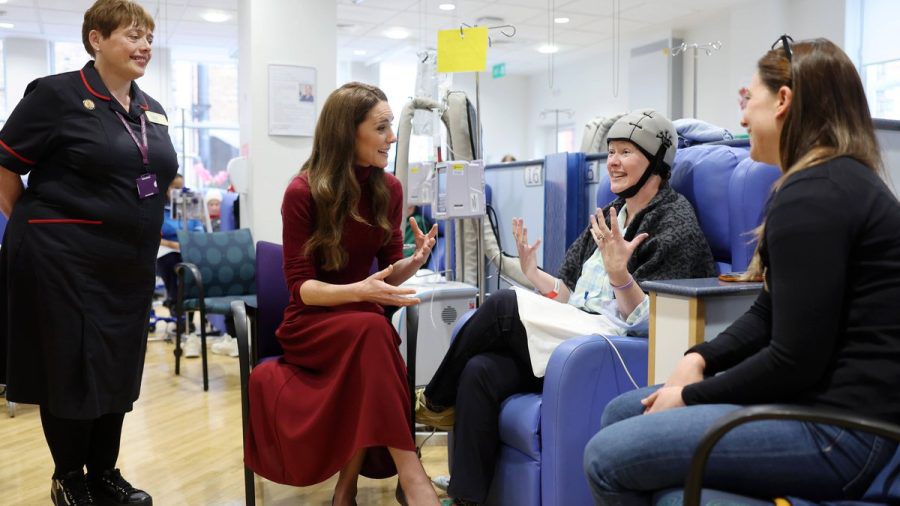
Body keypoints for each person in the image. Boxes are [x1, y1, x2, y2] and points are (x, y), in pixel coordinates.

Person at [583, 37, 900, 504]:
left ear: (784, 102)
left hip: (842, 435)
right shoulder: (826, 183)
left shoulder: (817, 194)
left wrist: (689, 398)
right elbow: (768, 313)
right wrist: (698, 358)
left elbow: (793, 362)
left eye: (748, 100)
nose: (742, 118)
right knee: (621, 413)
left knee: (606, 456)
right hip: (823, 412)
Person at [415, 110, 717, 506]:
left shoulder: (675, 223)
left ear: (657, 163)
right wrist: (530, 273)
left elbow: (653, 325)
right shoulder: (611, 216)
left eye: (625, 152)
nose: (612, 161)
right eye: (610, 151)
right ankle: (467, 497)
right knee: (480, 371)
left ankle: (433, 401)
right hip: (574, 328)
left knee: (503, 307)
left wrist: (620, 276)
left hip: (609, 343)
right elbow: (567, 291)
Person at [0, 1, 176, 505]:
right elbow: (5, 164)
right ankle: (68, 478)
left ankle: (104, 472)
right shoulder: (56, 94)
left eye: (149, 37)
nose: (144, 45)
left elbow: (153, 177)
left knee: (117, 366)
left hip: (128, 266)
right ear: (96, 39)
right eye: (132, 35)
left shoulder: (151, 109)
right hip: (65, 262)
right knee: (70, 367)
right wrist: (34, 228)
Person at [243, 82, 441, 506]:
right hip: (311, 325)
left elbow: (387, 276)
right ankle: (414, 479)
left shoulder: (389, 189)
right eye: (383, 127)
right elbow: (302, 289)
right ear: (348, 132)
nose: (393, 137)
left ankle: (347, 491)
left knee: (371, 335)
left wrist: (415, 261)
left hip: (362, 321)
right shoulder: (302, 192)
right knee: (374, 333)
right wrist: (360, 290)